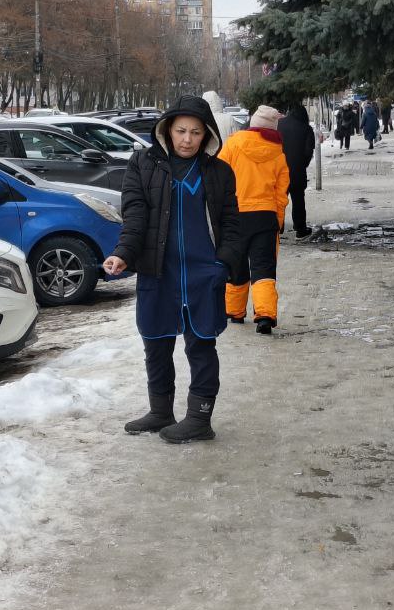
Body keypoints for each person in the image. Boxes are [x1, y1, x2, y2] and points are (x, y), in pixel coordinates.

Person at [103, 94, 240, 444]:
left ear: (207, 135)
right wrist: (123, 254)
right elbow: (135, 216)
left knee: (201, 347)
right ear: (167, 129)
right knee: (156, 342)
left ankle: (199, 418)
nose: (187, 140)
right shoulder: (142, 164)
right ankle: (160, 411)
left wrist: (221, 264)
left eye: (196, 132)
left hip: (202, 275)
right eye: (181, 131)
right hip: (158, 271)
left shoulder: (219, 172)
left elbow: (231, 223)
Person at [219, 104, 290, 335]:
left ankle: (234, 311)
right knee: (263, 266)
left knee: (235, 264)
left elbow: (219, 178)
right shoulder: (278, 153)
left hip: (236, 215)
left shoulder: (233, 144)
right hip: (265, 217)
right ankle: (265, 315)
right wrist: (278, 221)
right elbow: (281, 193)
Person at [278, 103, 315, 238]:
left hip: (279, 170)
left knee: (279, 199)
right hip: (297, 171)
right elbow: (308, 151)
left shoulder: (279, 125)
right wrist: (301, 164)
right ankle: (300, 229)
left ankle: (278, 227)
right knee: (298, 200)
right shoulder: (306, 128)